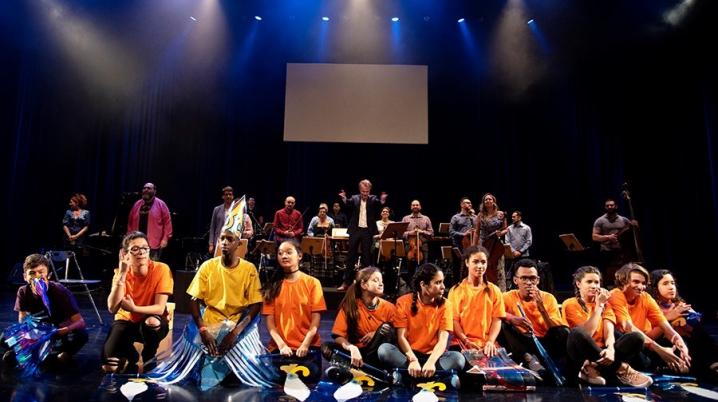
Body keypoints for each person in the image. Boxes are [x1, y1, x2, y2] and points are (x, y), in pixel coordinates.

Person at [562, 266, 651, 387]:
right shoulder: (570, 303)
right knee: (577, 333)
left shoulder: (605, 304)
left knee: (637, 337)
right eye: (589, 282)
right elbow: (587, 333)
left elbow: (609, 332)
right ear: (578, 284)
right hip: (581, 354)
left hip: (603, 353)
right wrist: (599, 306)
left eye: (597, 282)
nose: (594, 286)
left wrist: (610, 349)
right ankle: (621, 368)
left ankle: (594, 369)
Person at [103, 231, 173, 373]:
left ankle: (149, 357)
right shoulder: (120, 273)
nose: (141, 252)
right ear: (125, 253)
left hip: (151, 321)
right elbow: (112, 308)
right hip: (126, 322)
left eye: (145, 248)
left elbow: (159, 308)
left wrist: (134, 308)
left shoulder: (161, 269)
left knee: (152, 323)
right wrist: (122, 274)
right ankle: (131, 355)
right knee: (109, 367)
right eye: (135, 249)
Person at [187, 224, 262, 357]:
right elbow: (193, 299)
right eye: (222, 238)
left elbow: (256, 304)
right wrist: (203, 330)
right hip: (210, 321)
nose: (224, 243)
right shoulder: (208, 266)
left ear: (238, 243)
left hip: (237, 322)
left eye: (229, 239)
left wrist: (235, 332)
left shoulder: (249, 269)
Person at [378, 263, 465, 378]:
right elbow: (401, 337)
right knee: (384, 350)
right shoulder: (403, 302)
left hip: (434, 357)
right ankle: (428, 375)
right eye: (438, 283)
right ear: (423, 285)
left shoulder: (446, 305)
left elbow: (443, 340)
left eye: (442, 282)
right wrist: (413, 360)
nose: (443, 286)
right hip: (409, 356)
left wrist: (431, 362)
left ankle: (412, 374)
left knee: (458, 359)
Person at [4, 254, 88, 367]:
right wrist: (27, 334)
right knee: (4, 339)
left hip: (59, 329)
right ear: (25, 276)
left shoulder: (59, 291)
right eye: (32, 273)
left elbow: (80, 321)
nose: (37, 276)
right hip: (38, 330)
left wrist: (64, 330)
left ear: (48, 275)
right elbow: (22, 317)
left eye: (41, 272)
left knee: (81, 335)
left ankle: (62, 354)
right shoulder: (23, 291)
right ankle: (37, 354)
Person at [608, 263, 690, 373]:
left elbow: (665, 326)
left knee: (680, 343)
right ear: (623, 281)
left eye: (643, 283)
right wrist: (660, 351)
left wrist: (681, 345)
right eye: (636, 282)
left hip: (646, 344)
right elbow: (628, 328)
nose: (641, 287)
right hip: (625, 344)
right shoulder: (615, 295)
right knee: (636, 338)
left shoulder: (645, 297)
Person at [262, 240, 327, 376]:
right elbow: (269, 322)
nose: (284, 256)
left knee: (308, 376)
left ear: (300, 256)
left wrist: (305, 344)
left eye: (288, 252)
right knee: (280, 379)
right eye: (280, 253)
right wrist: (281, 345)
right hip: (280, 349)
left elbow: (316, 320)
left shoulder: (313, 283)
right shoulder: (272, 286)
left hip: (308, 347)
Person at [500, 258, 568, 376]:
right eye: (524, 278)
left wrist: (542, 309)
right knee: (503, 323)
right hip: (522, 342)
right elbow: (495, 312)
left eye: (532, 278)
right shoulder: (507, 296)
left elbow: (556, 330)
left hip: (544, 341)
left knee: (563, 331)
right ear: (516, 280)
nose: (529, 282)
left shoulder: (548, 298)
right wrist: (512, 318)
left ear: (538, 280)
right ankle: (528, 358)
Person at [648, 269, 718, 380]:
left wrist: (693, 318)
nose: (671, 287)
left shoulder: (679, 305)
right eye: (665, 284)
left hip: (687, 345)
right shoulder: (651, 306)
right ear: (654, 288)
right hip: (664, 347)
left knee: (699, 332)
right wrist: (670, 318)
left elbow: (695, 327)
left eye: (673, 283)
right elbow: (649, 337)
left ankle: (713, 363)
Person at [323, 267, 395, 368]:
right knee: (326, 347)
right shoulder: (351, 306)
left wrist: (376, 334)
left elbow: (396, 334)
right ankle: (357, 366)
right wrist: (352, 348)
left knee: (385, 329)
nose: (381, 284)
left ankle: (356, 368)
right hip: (357, 352)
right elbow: (338, 336)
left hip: (377, 353)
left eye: (381, 281)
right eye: (375, 280)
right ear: (363, 285)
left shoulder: (389, 307)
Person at [447, 246, 505, 358]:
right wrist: (466, 340)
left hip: (486, 344)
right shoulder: (456, 290)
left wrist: (490, 341)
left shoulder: (494, 290)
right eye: (475, 262)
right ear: (467, 263)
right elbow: (454, 321)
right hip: (461, 343)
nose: (480, 266)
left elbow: (497, 319)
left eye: (483, 262)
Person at [338, 180, 387, 291]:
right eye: (363, 191)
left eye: (367, 192)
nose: (365, 194)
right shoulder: (355, 198)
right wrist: (344, 198)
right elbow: (348, 202)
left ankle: (365, 284)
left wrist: (382, 200)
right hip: (355, 230)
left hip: (367, 231)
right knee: (351, 256)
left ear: (370, 191)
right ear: (360, 190)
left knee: (366, 258)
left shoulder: (373, 198)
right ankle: (346, 282)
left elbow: (379, 203)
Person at [591, 198, 637, 278]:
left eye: (611, 205)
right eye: (607, 206)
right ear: (605, 207)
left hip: (621, 251)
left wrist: (634, 225)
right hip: (606, 251)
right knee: (604, 273)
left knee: (625, 271)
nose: (609, 207)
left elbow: (632, 232)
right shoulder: (600, 221)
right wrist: (608, 237)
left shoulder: (624, 220)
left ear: (616, 206)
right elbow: (594, 237)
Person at [127, 183, 173, 261]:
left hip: (153, 244)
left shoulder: (161, 204)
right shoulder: (137, 204)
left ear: (154, 191)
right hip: (137, 243)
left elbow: (167, 223)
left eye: (149, 188)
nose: (146, 190)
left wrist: (165, 239)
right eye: (144, 188)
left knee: (152, 268)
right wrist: (129, 237)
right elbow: (130, 222)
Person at [473, 193, 508, 291]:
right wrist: (473, 246)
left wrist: (500, 234)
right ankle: (484, 288)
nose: (488, 201)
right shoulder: (480, 215)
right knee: (485, 267)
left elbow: (506, 229)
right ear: (483, 203)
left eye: (490, 199)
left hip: (497, 244)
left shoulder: (501, 214)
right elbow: (476, 232)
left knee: (499, 268)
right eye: (486, 200)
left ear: (494, 201)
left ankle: (500, 291)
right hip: (484, 243)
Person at [208, 186, 253, 255]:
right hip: (219, 242)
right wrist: (211, 244)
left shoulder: (237, 210)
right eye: (226, 194)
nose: (228, 196)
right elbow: (212, 227)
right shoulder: (217, 209)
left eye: (230, 194)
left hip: (232, 242)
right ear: (223, 196)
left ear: (233, 196)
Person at [402, 200, 434, 266]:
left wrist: (422, 232)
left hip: (423, 246)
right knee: (409, 268)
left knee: (423, 268)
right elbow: (401, 233)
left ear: (420, 207)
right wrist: (410, 233)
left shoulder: (426, 218)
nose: (415, 206)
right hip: (409, 246)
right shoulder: (405, 218)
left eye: (417, 205)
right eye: (413, 205)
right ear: (411, 207)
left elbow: (431, 233)